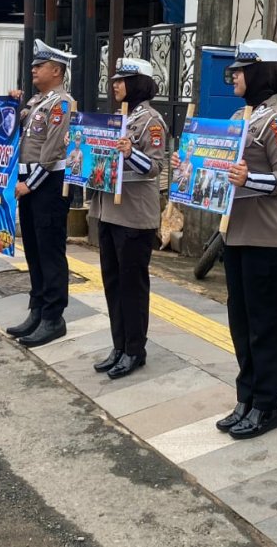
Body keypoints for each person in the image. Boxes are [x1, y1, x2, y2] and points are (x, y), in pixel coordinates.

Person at [176, 39, 277, 439]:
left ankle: (268, 404)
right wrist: (192, 168)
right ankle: (246, 398)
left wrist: (250, 178)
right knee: (242, 322)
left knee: (267, 326)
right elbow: (219, 167)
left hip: (272, 238)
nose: (234, 75)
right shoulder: (239, 117)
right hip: (238, 234)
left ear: (262, 74)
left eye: (242, 69)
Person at [90, 58, 166, 379]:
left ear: (138, 84)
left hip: (134, 216)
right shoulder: (119, 118)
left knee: (132, 287)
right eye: (115, 79)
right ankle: (119, 345)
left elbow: (155, 167)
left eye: (123, 80)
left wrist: (128, 152)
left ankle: (135, 349)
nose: (116, 84)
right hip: (109, 211)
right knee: (112, 283)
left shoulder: (151, 121)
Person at [5, 39, 76, 347]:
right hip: (30, 184)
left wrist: (29, 184)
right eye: (34, 65)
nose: (33, 69)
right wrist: (14, 105)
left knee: (49, 252)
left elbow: (52, 151)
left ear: (56, 70)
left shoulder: (61, 103)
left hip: (48, 185)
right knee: (33, 249)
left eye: (40, 65)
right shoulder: (37, 102)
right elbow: (19, 136)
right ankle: (37, 309)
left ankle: (53, 317)